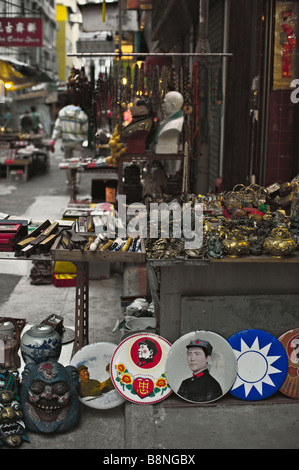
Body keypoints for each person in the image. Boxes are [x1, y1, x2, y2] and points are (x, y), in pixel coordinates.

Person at [49, 94, 88, 184]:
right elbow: (85, 129)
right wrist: (84, 136)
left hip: (66, 143)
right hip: (77, 143)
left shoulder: (62, 112)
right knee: (77, 163)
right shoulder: (80, 113)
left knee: (68, 163)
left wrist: (53, 140)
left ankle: (70, 182)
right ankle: (76, 183)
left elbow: (57, 128)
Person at [177, 338, 223, 403]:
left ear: (207, 358)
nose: (192, 359)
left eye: (197, 354)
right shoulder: (185, 383)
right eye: (189, 354)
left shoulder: (212, 385)